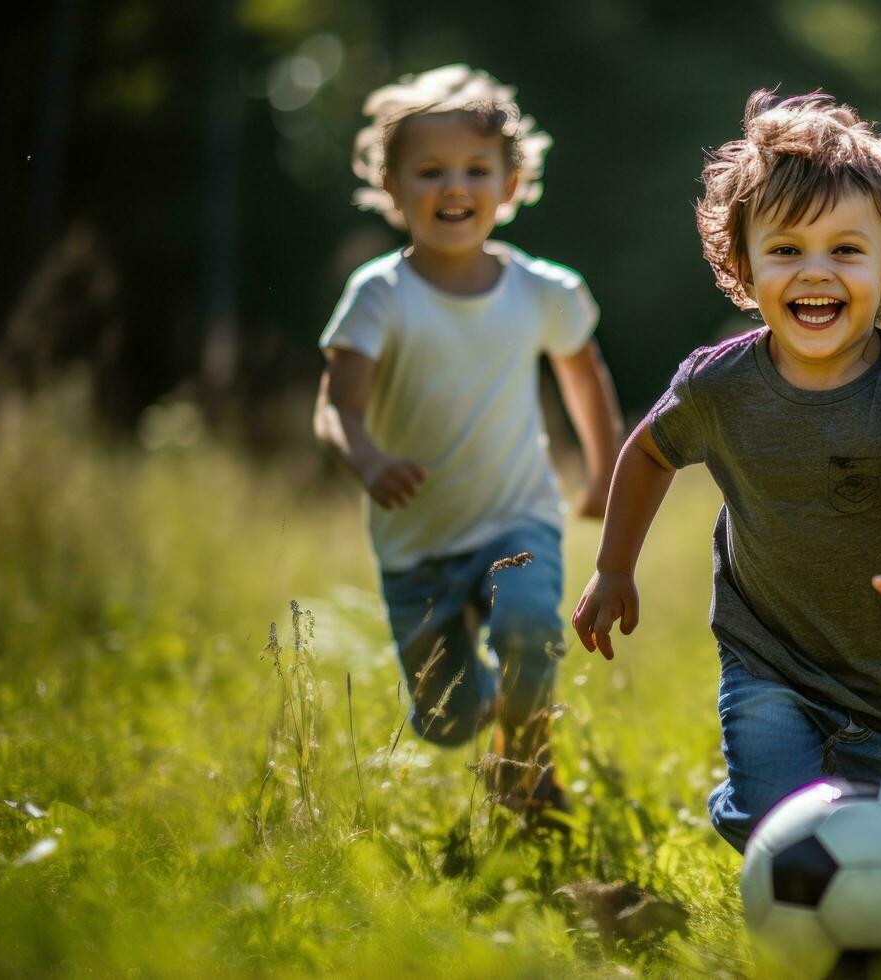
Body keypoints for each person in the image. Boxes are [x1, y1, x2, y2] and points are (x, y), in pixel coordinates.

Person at [570, 90, 881, 851]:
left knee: (853, 844)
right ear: (742, 267)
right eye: (785, 250)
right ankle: (758, 840)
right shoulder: (718, 385)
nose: (815, 272)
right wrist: (613, 568)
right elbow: (647, 451)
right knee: (777, 825)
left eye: (846, 250)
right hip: (767, 655)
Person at [312, 65, 622, 818]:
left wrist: (603, 473)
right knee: (443, 720)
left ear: (511, 184)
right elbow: (333, 408)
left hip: (517, 514)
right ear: (391, 188)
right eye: (430, 171)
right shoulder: (379, 295)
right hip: (415, 543)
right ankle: (487, 720)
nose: (455, 187)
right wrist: (368, 459)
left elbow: (585, 382)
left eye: (476, 170)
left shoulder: (543, 290)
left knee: (526, 627)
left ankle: (526, 774)